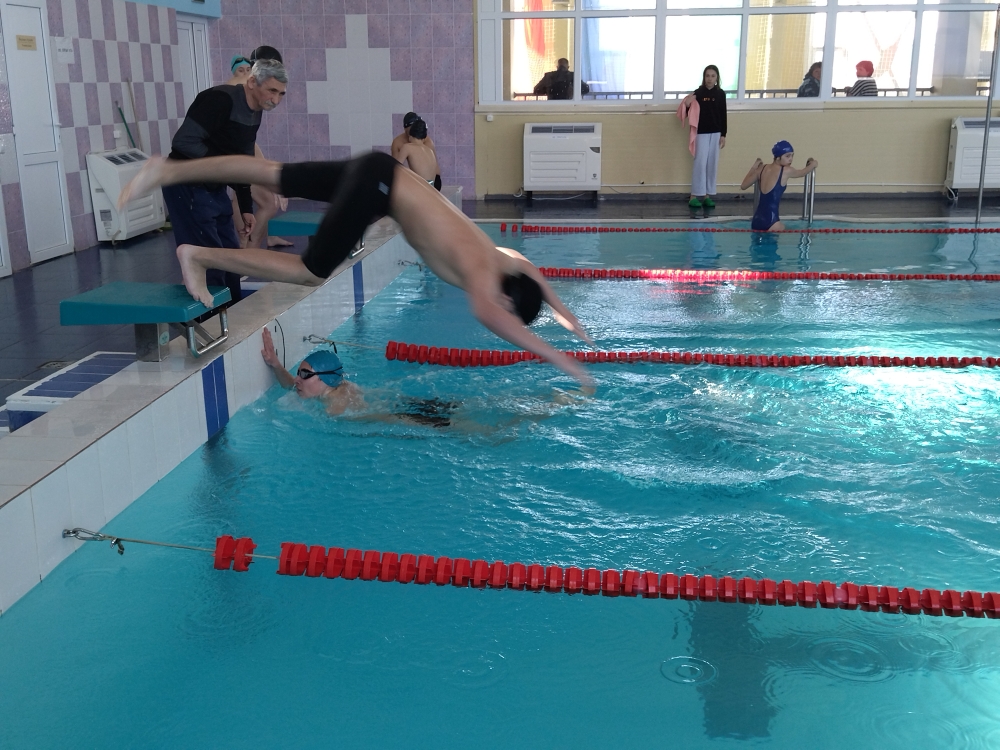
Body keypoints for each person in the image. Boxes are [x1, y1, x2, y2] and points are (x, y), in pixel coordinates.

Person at [119, 152, 596, 384]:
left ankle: (169, 170)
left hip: (381, 169)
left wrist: (566, 316)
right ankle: (199, 255)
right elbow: (493, 316)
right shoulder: (483, 275)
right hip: (379, 190)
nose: (500, 312)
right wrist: (561, 360)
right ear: (507, 299)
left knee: (275, 174)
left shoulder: (502, 258)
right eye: (508, 309)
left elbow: (531, 271)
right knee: (310, 271)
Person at [164, 58, 287, 304]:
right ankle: (211, 319)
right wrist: (222, 165)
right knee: (208, 258)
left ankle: (233, 314)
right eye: (271, 91)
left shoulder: (255, 110)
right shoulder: (219, 100)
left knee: (231, 256)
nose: (275, 100)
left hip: (213, 184)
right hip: (185, 183)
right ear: (252, 82)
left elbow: (242, 159)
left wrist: (246, 207)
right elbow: (183, 142)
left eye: (281, 94)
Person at [740, 140, 818, 232]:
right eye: (787, 156)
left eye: (792, 155)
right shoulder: (786, 171)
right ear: (777, 158)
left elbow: (743, 186)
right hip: (772, 222)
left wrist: (754, 167)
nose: (791, 159)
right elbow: (803, 172)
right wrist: (813, 164)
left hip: (756, 221)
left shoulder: (761, 168)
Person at [685, 65, 727, 209]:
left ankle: (707, 196)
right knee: (700, 163)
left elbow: (723, 115)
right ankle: (694, 196)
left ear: (717, 78)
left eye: (713, 76)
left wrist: (723, 134)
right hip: (701, 132)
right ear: (704, 77)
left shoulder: (720, 94)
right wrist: (687, 104)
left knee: (712, 164)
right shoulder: (698, 93)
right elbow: (688, 112)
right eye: (707, 76)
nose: (710, 79)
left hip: (716, 133)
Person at [392, 112, 441, 190]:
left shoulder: (408, 147)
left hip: (432, 182)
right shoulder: (428, 150)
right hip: (430, 184)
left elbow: (395, 168)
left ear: (411, 136)